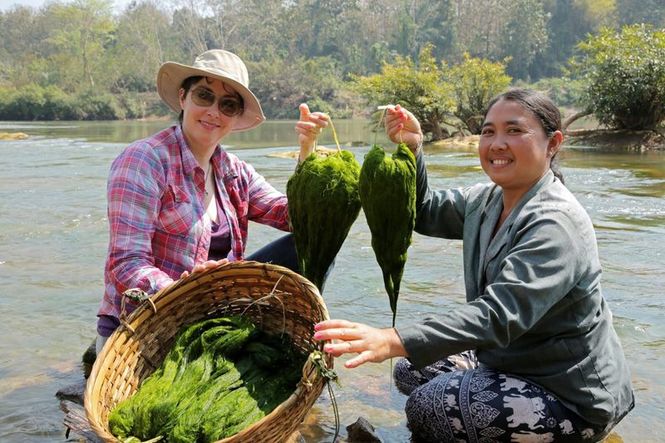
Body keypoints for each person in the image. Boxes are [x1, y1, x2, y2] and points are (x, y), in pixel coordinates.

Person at [314, 89, 634, 442]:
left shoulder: (556, 223)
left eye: (514, 131)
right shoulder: (486, 201)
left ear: (553, 143)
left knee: (428, 405)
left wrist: (393, 338)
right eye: (487, 131)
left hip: (568, 393)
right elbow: (422, 211)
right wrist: (413, 148)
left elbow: (499, 315)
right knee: (410, 368)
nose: (497, 143)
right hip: (511, 362)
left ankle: (577, 434)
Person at [96, 49, 329, 354]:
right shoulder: (145, 160)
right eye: (204, 96)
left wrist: (306, 151)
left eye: (228, 105)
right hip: (144, 323)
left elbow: (295, 217)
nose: (214, 112)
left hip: (213, 316)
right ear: (183, 98)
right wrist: (186, 290)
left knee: (315, 240)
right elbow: (126, 264)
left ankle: (303, 339)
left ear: (234, 117)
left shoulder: (233, 171)